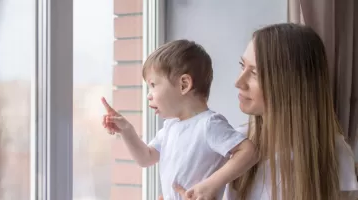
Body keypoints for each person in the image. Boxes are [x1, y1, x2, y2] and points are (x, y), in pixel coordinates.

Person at [173, 23, 358, 200]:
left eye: (254, 73)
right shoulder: (234, 145)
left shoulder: (333, 153)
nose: (239, 82)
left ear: (291, 84)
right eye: (242, 65)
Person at [102, 39, 257, 200]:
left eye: (153, 85)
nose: (149, 95)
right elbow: (145, 158)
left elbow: (249, 152)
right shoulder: (171, 127)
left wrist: (211, 185)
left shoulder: (209, 125)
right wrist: (126, 130)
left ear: (184, 84)